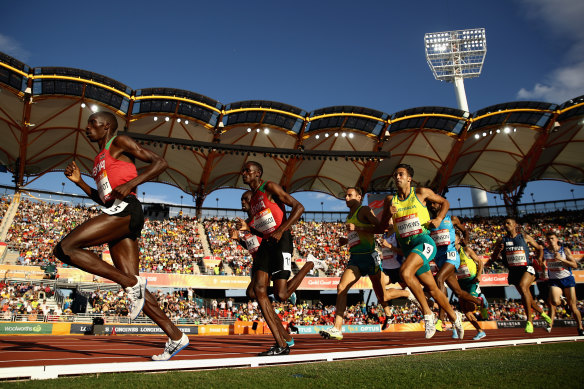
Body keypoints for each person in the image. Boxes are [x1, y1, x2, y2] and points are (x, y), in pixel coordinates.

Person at [53, 111, 188, 360]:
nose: (87, 128)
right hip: (116, 211)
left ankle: (130, 284)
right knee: (133, 286)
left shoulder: (119, 142)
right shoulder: (98, 160)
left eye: (92, 123)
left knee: (65, 248)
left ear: (107, 126)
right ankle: (176, 336)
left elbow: (160, 163)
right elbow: (105, 199)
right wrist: (80, 183)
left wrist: (131, 183)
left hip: (128, 210)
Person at [379, 164, 464, 339]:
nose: (397, 177)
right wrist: (388, 214)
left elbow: (445, 202)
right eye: (395, 175)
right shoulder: (390, 200)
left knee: (405, 272)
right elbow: (381, 226)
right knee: (432, 288)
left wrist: (439, 218)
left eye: (401, 174)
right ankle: (455, 317)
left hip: (424, 242)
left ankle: (427, 314)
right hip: (409, 249)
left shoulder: (421, 193)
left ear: (409, 178)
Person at [238, 161, 309, 355]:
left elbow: (299, 207)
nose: (244, 173)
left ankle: (307, 266)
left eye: (247, 171)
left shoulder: (268, 187)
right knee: (257, 290)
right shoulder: (252, 202)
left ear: (258, 173)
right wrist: (248, 228)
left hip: (281, 240)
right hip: (266, 244)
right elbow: (261, 230)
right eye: (242, 171)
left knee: (281, 295)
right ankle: (281, 344)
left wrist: (281, 230)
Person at [319, 187, 408, 340]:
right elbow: (357, 235)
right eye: (345, 196)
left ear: (359, 197)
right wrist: (346, 240)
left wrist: (358, 227)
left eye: (349, 195)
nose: (346, 198)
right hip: (355, 258)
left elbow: (380, 228)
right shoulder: (349, 215)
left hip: (369, 257)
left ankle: (408, 294)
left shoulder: (365, 210)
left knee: (383, 295)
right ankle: (337, 328)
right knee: (341, 287)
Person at [428, 201, 487, 332]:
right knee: (458, 292)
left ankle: (440, 320)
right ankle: (480, 302)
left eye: (434, 203)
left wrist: (465, 241)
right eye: (429, 204)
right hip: (439, 258)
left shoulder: (452, 219)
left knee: (439, 279)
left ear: (441, 205)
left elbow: (464, 230)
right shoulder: (429, 222)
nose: (432, 206)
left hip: (452, 255)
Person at [489, 218, 551, 334]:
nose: (506, 225)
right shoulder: (501, 240)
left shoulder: (524, 237)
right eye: (504, 223)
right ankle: (542, 313)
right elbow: (493, 257)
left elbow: (539, 248)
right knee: (526, 296)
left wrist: (540, 258)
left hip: (527, 268)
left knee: (523, 287)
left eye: (508, 223)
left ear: (514, 225)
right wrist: (498, 250)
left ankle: (530, 321)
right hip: (513, 271)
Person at [543, 231, 583, 336]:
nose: (550, 241)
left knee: (573, 307)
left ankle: (580, 327)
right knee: (555, 302)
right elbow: (542, 261)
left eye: (552, 238)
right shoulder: (545, 251)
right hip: (554, 280)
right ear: (546, 241)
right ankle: (562, 300)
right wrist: (543, 266)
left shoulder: (564, 250)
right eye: (548, 239)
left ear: (557, 239)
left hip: (567, 279)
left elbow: (574, 265)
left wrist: (561, 259)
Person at [378, 226, 417, 330]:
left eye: (388, 218)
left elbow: (405, 252)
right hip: (387, 269)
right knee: (377, 285)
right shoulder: (384, 235)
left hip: (400, 269)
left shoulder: (398, 234)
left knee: (418, 300)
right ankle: (389, 314)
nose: (385, 221)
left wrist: (390, 246)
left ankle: (436, 312)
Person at [453, 232, 487, 340]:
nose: (451, 240)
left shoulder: (466, 250)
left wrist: (479, 275)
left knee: (472, 306)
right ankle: (480, 331)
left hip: (472, 281)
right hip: (461, 284)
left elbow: (480, 262)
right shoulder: (451, 254)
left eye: (454, 238)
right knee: (465, 310)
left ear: (459, 240)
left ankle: (480, 298)